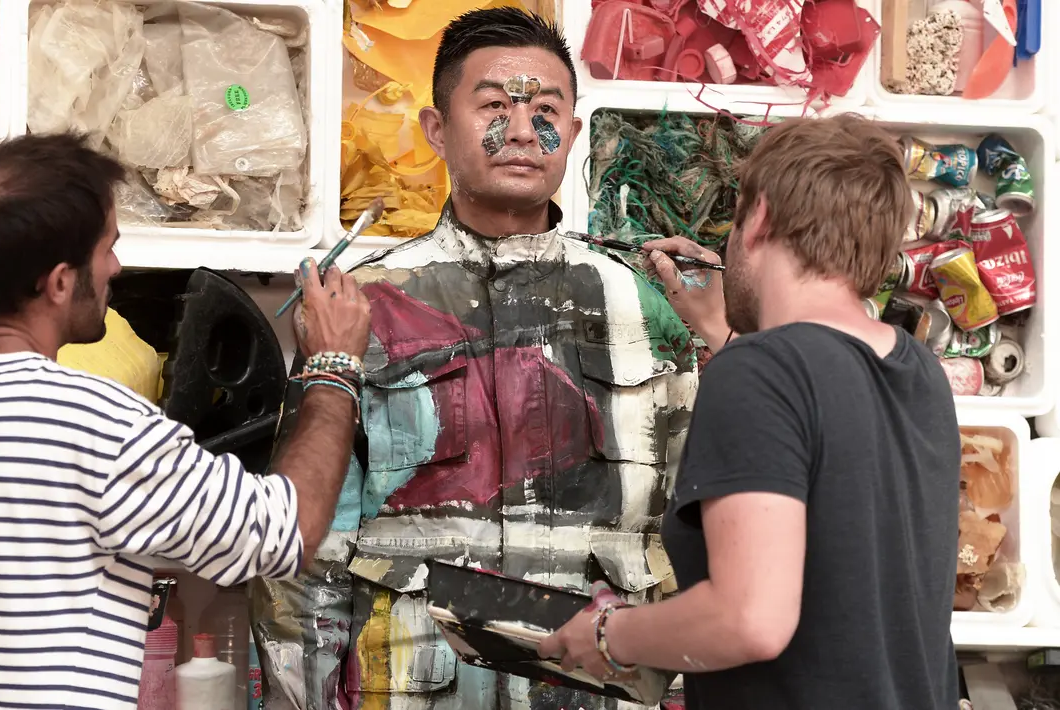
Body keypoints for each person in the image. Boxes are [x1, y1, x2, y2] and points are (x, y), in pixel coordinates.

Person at [251, 7, 698, 710]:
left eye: (546, 109)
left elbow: (688, 533)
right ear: (436, 129)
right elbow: (308, 546)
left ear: (574, 134)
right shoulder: (366, 307)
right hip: (414, 692)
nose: (522, 130)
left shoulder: (642, 307)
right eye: (493, 105)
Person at [0, 133, 371, 709]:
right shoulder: (101, 428)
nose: (116, 266)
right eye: (108, 247)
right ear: (61, 282)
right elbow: (283, 532)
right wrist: (333, 369)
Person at [540, 114, 961, 710]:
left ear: (758, 217)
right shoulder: (919, 371)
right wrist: (725, 335)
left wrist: (609, 634)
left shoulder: (760, 371)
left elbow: (751, 619)